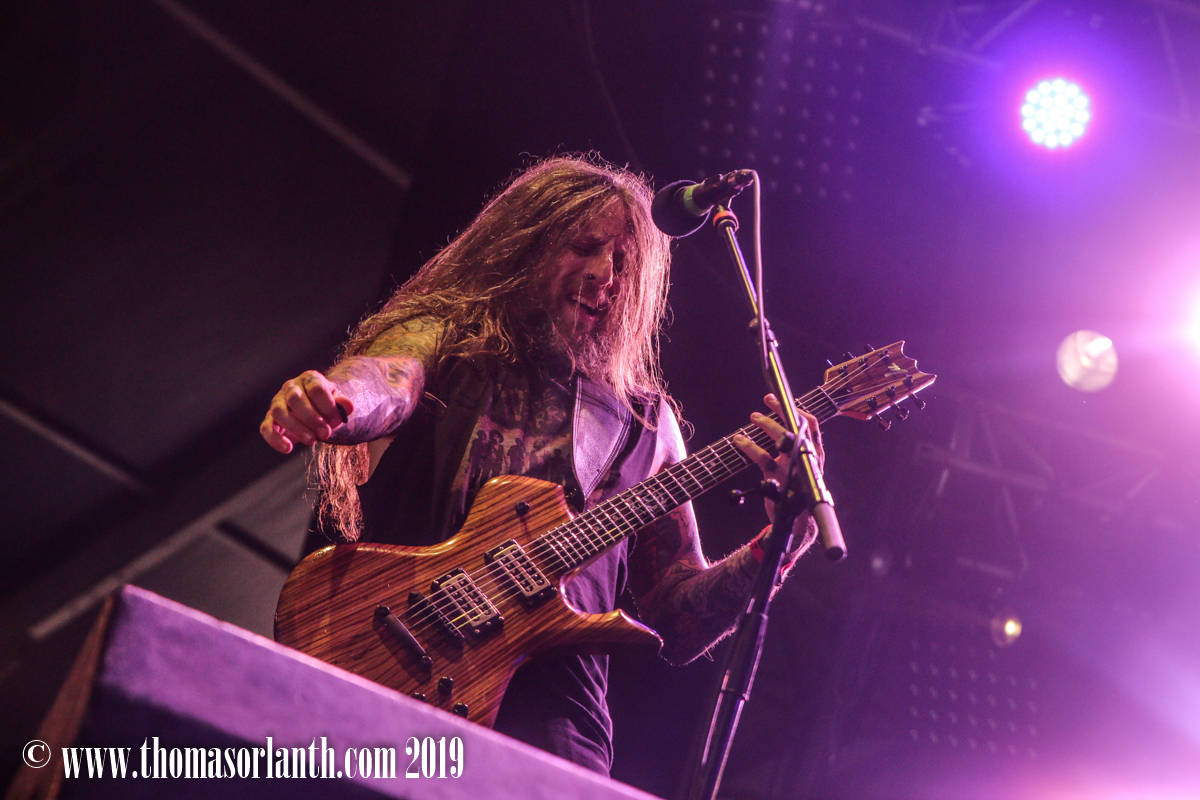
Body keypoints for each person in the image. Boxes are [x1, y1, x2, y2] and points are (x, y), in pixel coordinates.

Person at [260, 155, 823, 776]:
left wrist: (783, 540)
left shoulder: (648, 425)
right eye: (583, 247)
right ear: (527, 246)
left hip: (555, 730)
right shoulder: (451, 338)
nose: (605, 274)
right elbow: (387, 378)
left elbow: (677, 617)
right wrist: (335, 399)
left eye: (624, 264)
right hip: (392, 658)